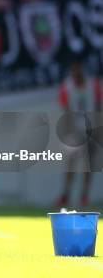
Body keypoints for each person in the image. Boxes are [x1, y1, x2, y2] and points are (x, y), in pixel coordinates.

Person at [55, 61, 101, 207]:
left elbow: (98, 106)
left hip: (91, 127)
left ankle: (84, 195)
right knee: (71, 163)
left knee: (88, 164)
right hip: (75, 129)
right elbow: (66, 110)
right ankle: (66, 194)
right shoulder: (66, 87)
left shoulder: (93, 85)